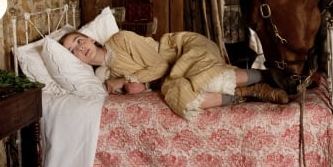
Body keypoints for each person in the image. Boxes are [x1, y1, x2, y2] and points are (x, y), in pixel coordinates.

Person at [60, 30, 289, 120]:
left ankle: (271, 76)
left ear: (90, 38)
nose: (80, 49)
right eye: (73, 51)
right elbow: (146, 85)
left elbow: (159, 66)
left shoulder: (120, 40)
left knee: (203, 75)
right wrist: (132, 86)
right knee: (179, 95)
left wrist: (129, 80)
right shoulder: (103, 78)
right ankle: (248, 93)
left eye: (79, 41)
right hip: (169, 77)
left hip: (179, 49)